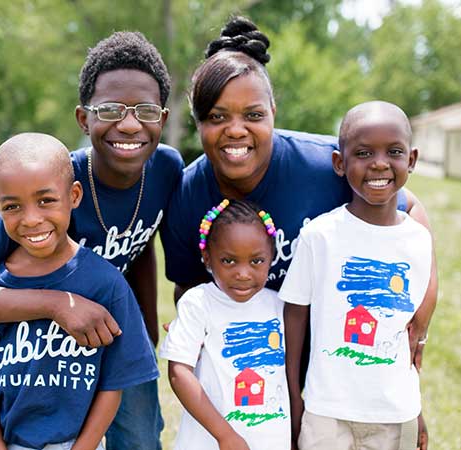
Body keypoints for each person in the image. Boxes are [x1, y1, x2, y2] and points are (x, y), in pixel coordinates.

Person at [160, 16, 436, 449]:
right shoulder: (189, 194)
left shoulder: (322, 165)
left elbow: (410, 207)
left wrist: (421, 312)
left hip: (335, 372)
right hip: (253, 380)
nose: (236, 130)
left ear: (274, 113)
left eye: (253, 115)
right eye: (217, 117)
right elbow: (189, 288)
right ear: (197, 122)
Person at [0, 31, 182, 450]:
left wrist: (145, 332)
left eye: (145, 110)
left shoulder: (166, 169)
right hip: (47, 353)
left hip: (113, 330)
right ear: (84, 119)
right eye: (110, 109)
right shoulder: (51, 187)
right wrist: (57, 303)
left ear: (163, 118)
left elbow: (142, 242)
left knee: (138, 436)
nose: (129, 123)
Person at [0, 133, 159, 450]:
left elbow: (114, 384)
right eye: (12, 206)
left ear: (75, 195)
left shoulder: (106, 284)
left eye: (46, 201)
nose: (31, 219)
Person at [279, 101, 432, 450]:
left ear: (411, 159)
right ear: (339, 162)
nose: (379, 163)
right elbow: (295, 315)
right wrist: (293, 395)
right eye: (363, 152)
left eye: (393, 151)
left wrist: (416, 408)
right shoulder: (320, 236)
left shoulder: (418, 240)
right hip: (325, 413)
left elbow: (410, 337)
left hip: (395, 415)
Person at [160, 199, 290, 450]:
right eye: (229, 261)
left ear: (271, 257)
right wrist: (225, 435)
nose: (243, 273)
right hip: (209, 442)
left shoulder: (279, 305)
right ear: (207, 259)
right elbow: (178, 373)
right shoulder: (199, 303)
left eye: (256, 261)